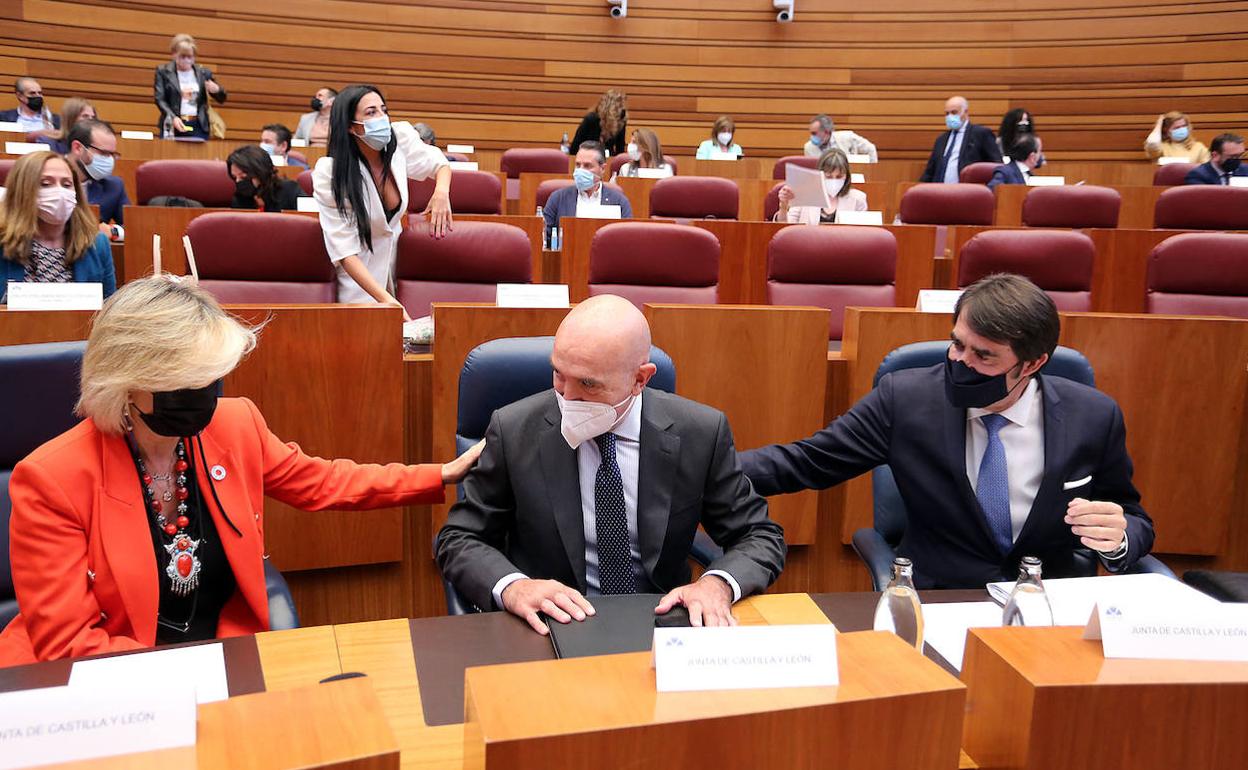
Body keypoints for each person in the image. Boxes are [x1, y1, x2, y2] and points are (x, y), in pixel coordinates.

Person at [0, 277, 484, 665]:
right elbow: (70, 648)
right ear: (125, 384)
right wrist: (188, 686)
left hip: (223, 655)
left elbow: (323, 482)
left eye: (212, 377)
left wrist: (439, 473)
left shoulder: (235, 424)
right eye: (187, 383)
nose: (206, 394)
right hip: (111, 685)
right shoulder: (51, 480)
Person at [738, 274, 1155, 589]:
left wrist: (1118, 538)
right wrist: (700, 466)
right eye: (957, 344)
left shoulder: (1093, 416)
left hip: (1046, 602)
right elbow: (807, 462)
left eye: (984, 356)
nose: (961, 362)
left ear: (1031, 364)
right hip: (940, 597)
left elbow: (1132, 516)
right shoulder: (906, 399)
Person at [436, 295, 786, 633]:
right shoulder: (514, 430)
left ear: (640, 379)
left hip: (660, 623)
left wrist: (716, 585)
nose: (567, 396)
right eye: (559, 374)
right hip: (554, 626)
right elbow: (459, 538)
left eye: (588, 383)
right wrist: (514, 587)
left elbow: (759, 534)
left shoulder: (699, 432)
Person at [312, 84, 452, 316]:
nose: (382, 118)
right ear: (350, 126)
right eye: (371, 112)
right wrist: (387, 302)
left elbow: (438, 163)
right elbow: (344, 252)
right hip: (360, 280)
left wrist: (441, 192)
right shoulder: (330, 173)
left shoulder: (399, 139)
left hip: (399, 269)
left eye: (383, 110)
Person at [0, 151, 116, 300]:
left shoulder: (97, 244)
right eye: (46, 184)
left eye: (67, 184)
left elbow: (109, 311)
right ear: (22, 191)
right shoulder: (3, 241)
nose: (59, 192)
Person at [542, 141, 633, 236]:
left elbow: (626, 238)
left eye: (587, 166)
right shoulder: (558, 198)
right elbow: (544, 236)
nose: (581, 170)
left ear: (602, 169)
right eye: (577, 165)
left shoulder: (619, 201)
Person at [153, 33, 227, 140]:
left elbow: (222, 99)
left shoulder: (203, 73)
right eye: (183, 56)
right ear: (174, 54)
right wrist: (173, 117)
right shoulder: (163, 72)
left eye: (190, 57)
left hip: (198, 125)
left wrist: (217, 90)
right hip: (174, 124)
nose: (187, 60)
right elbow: (160, 99)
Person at [774, 147, 868, 224]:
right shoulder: (805, 195)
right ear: (819, 175)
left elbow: (862, 237)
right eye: (828, 177)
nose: (834, 180)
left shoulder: (858, 199)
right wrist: (783, 206)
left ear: (847, 176)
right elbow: (785, 231)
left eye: (839, 176)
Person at [919, 95, 1002, 183]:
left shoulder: (980, 134)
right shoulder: (941, 139)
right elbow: (930, 171)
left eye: (954, 112)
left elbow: (996, 166)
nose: (950, 117)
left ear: (965, 112)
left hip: (968, 192)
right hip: (940, 192)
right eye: (947, 113)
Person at [66, 118, 129, 229]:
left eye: (112, 154)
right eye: (104, 153)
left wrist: (114, 232)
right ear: (77, 148)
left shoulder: (114, 186)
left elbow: (132, 226)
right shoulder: (47, 178)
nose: (109, 159)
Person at [227, 145, 303, 212]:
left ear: (261, 172)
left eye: (243, 177)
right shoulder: (240, 197)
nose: (238, 181)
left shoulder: (291, 191)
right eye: (234, 177)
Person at [570, 89, 628, 158]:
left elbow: (620, 151)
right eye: (619, 106)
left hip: (608, 161)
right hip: (587, 158)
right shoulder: (591, 119)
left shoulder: (620, 121)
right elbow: (574, 148)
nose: (622, 109)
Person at [804, 114, 878, 163]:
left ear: (826, 132)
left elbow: (870, 149)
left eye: (814, 133)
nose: (812, 137)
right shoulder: (808, 147)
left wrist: (870, 172)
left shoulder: (848, 137)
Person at [1145, 111, 1210, 163]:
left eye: (1184, 126)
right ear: (1166, 130)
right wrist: (1159, 123)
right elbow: (1152, 143)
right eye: (1177, 128)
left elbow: (1207, 169)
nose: (1181, 129)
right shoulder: (1162, 147)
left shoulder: (1198, 147)